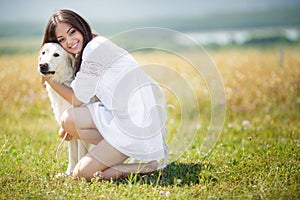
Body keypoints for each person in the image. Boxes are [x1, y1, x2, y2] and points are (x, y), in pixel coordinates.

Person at [41, 9, 168, 181]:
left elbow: (77, 100)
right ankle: (110, 153)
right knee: (68, 120)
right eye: (62, 40)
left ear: (81, 27)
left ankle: (145, 167)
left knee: (82, 174)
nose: (69, 42)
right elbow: (84, 98)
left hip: (133, 126)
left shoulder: (94, 50)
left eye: (72, 32)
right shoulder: (93, 46)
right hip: (120, 118)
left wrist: (48, 78)